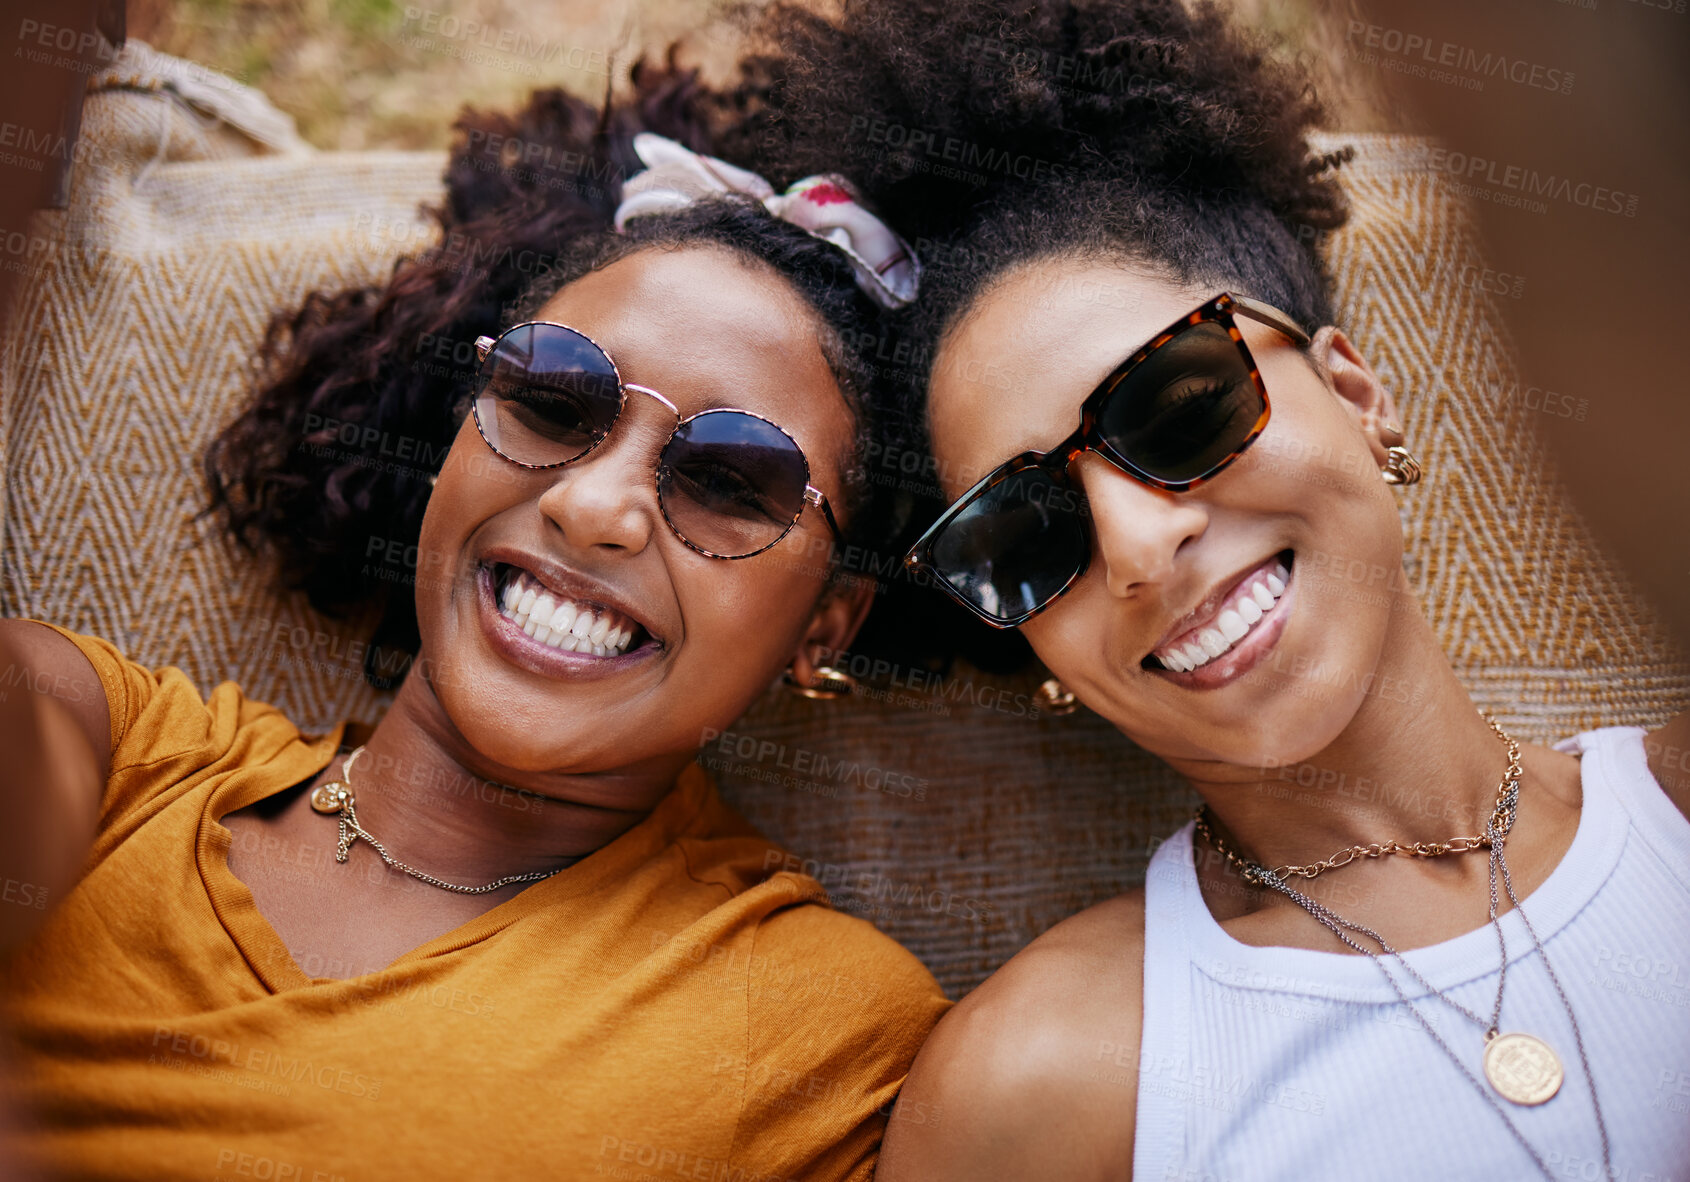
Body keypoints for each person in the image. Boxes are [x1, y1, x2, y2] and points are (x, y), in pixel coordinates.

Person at [740, 0, 1690, 1177]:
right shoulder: (1043, 1081)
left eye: (1179, 407)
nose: (1136, 549)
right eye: (1024, 532)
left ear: (1356, 396)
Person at [0, 58, 948, 1180]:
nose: (594, 506)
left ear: (825, 627)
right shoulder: (110, 752)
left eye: (734, 482)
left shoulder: (821, 1031)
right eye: (555, 399)